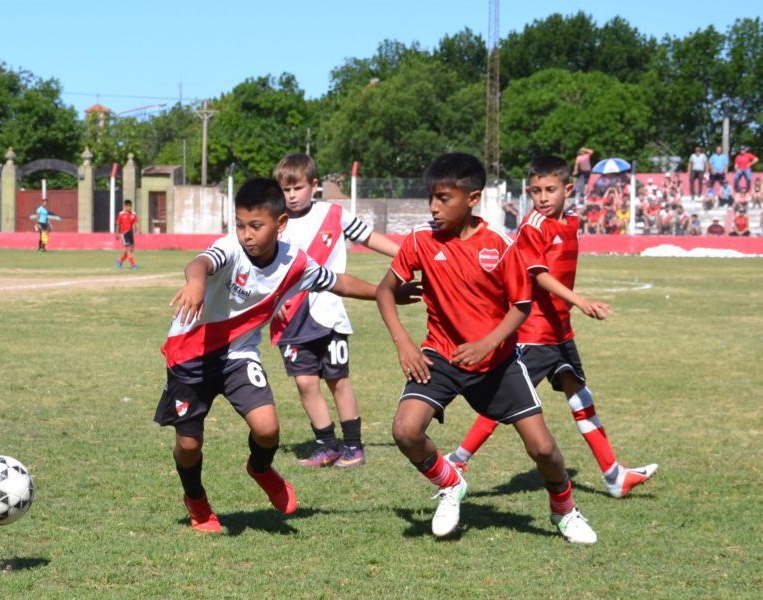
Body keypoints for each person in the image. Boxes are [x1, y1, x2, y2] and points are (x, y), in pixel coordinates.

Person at [376, 152, 598, 543]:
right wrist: (404, 345)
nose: (434, 207)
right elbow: (385, 291)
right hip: (441, 356)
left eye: (444, 198)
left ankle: (565, 510)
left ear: (473, 198)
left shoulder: (500, 243)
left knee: (543, 449)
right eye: (432, 197)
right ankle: (450, 482)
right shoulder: (420, 240)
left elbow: (522, 305)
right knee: (406, 431)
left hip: (496, 363)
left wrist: (488, 343)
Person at [155, 178, 383, 533]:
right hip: (190, 354)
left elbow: (338, 282)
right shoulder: (230, 248)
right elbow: (200, 263)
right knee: (189, 443)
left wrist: (385, 293)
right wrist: (196, 282)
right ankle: (196, 499)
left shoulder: (295, 263)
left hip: (237, 355)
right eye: (241, 224)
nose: (246, 234)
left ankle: (260, 468)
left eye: (256, 226)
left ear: (280, 225)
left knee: (267, 428)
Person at [445, 155, 657, 502]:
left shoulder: (571, 222)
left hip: (560, 332)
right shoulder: (532, 227)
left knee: (580, 396)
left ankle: (613, 474)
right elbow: (538, 276)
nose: (542, 197)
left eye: (549, 190)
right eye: (535, 191)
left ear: (568, 189)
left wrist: (571, 307)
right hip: (533, 333)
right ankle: (458, 460)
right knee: (508, 401)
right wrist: (580, 300)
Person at [271, 154, 400, 468]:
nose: (291, 195)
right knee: (305, 383)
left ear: (314, 186)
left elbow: (369, 238)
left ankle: (353, 446)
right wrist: (272, 306)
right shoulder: (275, 222)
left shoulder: (334, 214)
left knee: (338, 379)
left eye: (297, 188)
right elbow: (265, 268)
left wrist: (410, 254)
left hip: (329, 313)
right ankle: (326, 445)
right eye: (285, 189)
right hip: (290, 319)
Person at [116, 199, 139, 270]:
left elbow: (136, 223)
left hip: (130, 233)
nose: (129, 207)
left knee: (131, 250)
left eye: (130, 206)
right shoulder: (121, 214)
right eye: (127, 206)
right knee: (128, 250)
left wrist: (139, 229)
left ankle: (120, 260)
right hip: (124, 233)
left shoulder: (133, 214)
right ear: (125, 206)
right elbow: (118, 224)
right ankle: (133, 265)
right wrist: (117, 233)